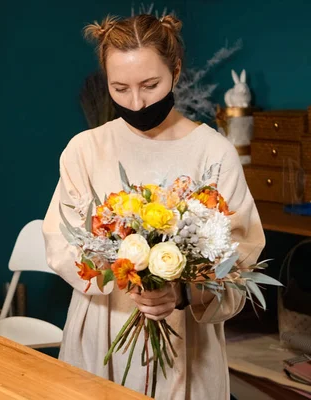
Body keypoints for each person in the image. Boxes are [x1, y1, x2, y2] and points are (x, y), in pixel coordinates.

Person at [42, 13, 265, 400]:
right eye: (120, 88)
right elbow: (60, 244)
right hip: (100, 334)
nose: (137, 101)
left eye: (150, 84)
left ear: (175, 71)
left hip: (187, 347)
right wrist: (126, 273)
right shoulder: (85, 150)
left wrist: (182, 293)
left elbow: (241, 263)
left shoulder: (214, 153)